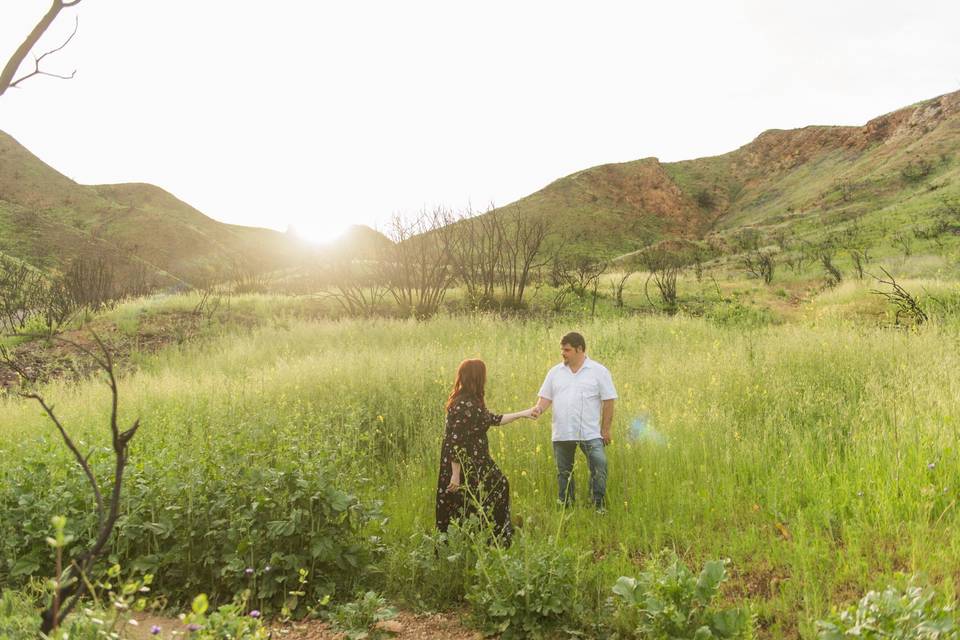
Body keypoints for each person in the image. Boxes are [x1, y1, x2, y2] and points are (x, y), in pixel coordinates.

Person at [435, 358, 536, 545]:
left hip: (475, 461)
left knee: (474, 497)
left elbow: (493, 419)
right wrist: (455, 474)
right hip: (464, 462)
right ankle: (493, 538)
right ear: (478, 377)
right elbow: (455, 440)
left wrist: (524, 413)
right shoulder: (465, 403)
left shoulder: (470, 400)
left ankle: (482, 538)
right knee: (493, 489)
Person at [533, 332, 617, 510]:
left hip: (590, 433)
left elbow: (609, 401)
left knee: (599, 467)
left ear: (580, 349)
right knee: (564, 473)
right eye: (562, 349)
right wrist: (538, 409)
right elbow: (546, 398)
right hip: (562, 432)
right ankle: (566, 505)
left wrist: (606, 430)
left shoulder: (598, 371)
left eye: (567, 350)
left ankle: (597, 504)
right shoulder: (555, 372)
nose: (563, 353)